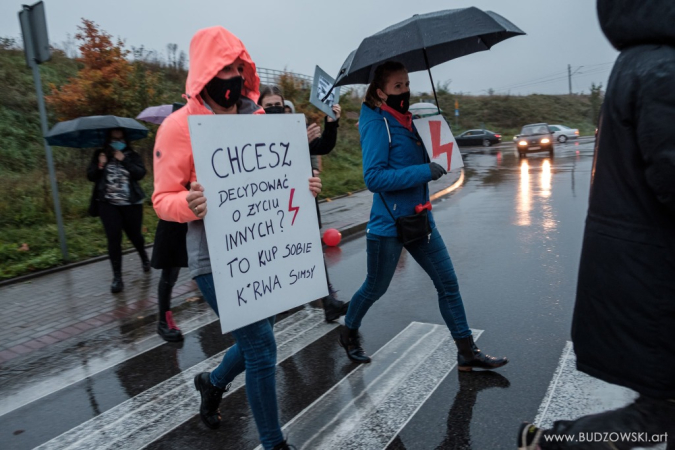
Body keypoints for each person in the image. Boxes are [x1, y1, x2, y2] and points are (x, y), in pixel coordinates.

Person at [152, 26, 322, 450]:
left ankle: (212, 383)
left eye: (236, 66)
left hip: (265, 247)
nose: (231, 74)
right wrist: (189, 204)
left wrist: (305, 185)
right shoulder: (178, 127)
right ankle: (272, 442)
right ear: (205, 71)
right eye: (222, 67)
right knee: (263, 347)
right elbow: (161, 198)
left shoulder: (258, 118)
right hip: (215, 259)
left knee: (255, 338)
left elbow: (277, 180)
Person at [518, 1, 675, 448]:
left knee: (658, 413)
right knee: (657, 417)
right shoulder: (663, 68)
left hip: (644, 270)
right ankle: (551, 444)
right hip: (657, 277)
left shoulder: (641, 61)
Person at [338, 61, 508, 372]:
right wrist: (423, 171)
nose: (405, 91)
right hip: (388, 224)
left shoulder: (409, 121)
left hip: (420, 219)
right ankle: (348, 330)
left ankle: (467, 352)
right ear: (380, 92)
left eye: (407, 84)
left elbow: (428, 157)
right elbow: (373, 178)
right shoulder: (378, 124)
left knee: (448, 284)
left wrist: (439, 144)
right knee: (375, 288)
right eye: (397, 86)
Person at [258, 86, 348, 322]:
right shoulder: (253, 137)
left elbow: (324, 146)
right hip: (271, 209)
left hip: (300, 203)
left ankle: (328, 301)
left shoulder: (298, 129)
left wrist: (331, 123)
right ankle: (281, 301)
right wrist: (296, 143)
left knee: (310, 249)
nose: (274, 110)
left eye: (278, 105)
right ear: (260, 109)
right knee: (278, 254)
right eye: (269, 107)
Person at [87, 128, 149, 293]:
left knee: (135, 236)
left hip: (131, 204)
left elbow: (140, 173)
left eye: (120, 138)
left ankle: (144, 257)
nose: (118, 141)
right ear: (108, 140)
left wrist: (124, 160)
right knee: (114, 239)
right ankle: (117, 278)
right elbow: (91, 176)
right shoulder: (100, 154)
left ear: (125, 140)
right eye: (114, 139)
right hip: (108, 204)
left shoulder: (132, 155)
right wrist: (100, 165)